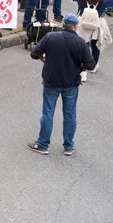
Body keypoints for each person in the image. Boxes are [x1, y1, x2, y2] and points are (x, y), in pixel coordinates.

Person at [28, 13, 95, 155]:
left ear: (63, 25)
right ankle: (68, 146)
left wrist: (44, 58)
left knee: (48, 113)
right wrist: (79, 67)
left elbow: (34, 53)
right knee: (70, 115)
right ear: (76, 27)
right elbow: (90, 65)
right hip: (71, 82)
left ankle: (43, 144)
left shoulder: (50, 37)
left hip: (51, 80)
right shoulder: (81, 43)